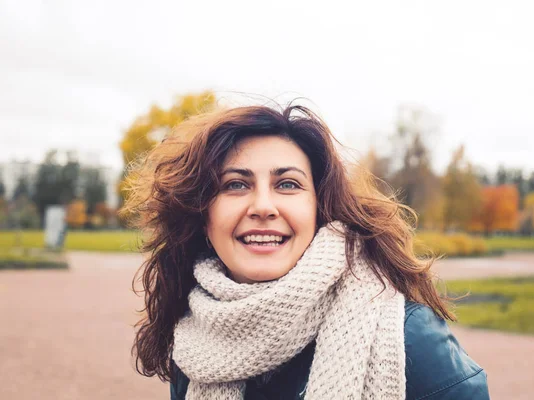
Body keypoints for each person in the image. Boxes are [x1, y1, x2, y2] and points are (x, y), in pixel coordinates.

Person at [122, 104, 490, 400]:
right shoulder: (195, 344)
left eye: (287, 184)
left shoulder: (409, 339)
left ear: (319, 209)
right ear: (203, 215)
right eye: (235, 184)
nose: (263, 206)